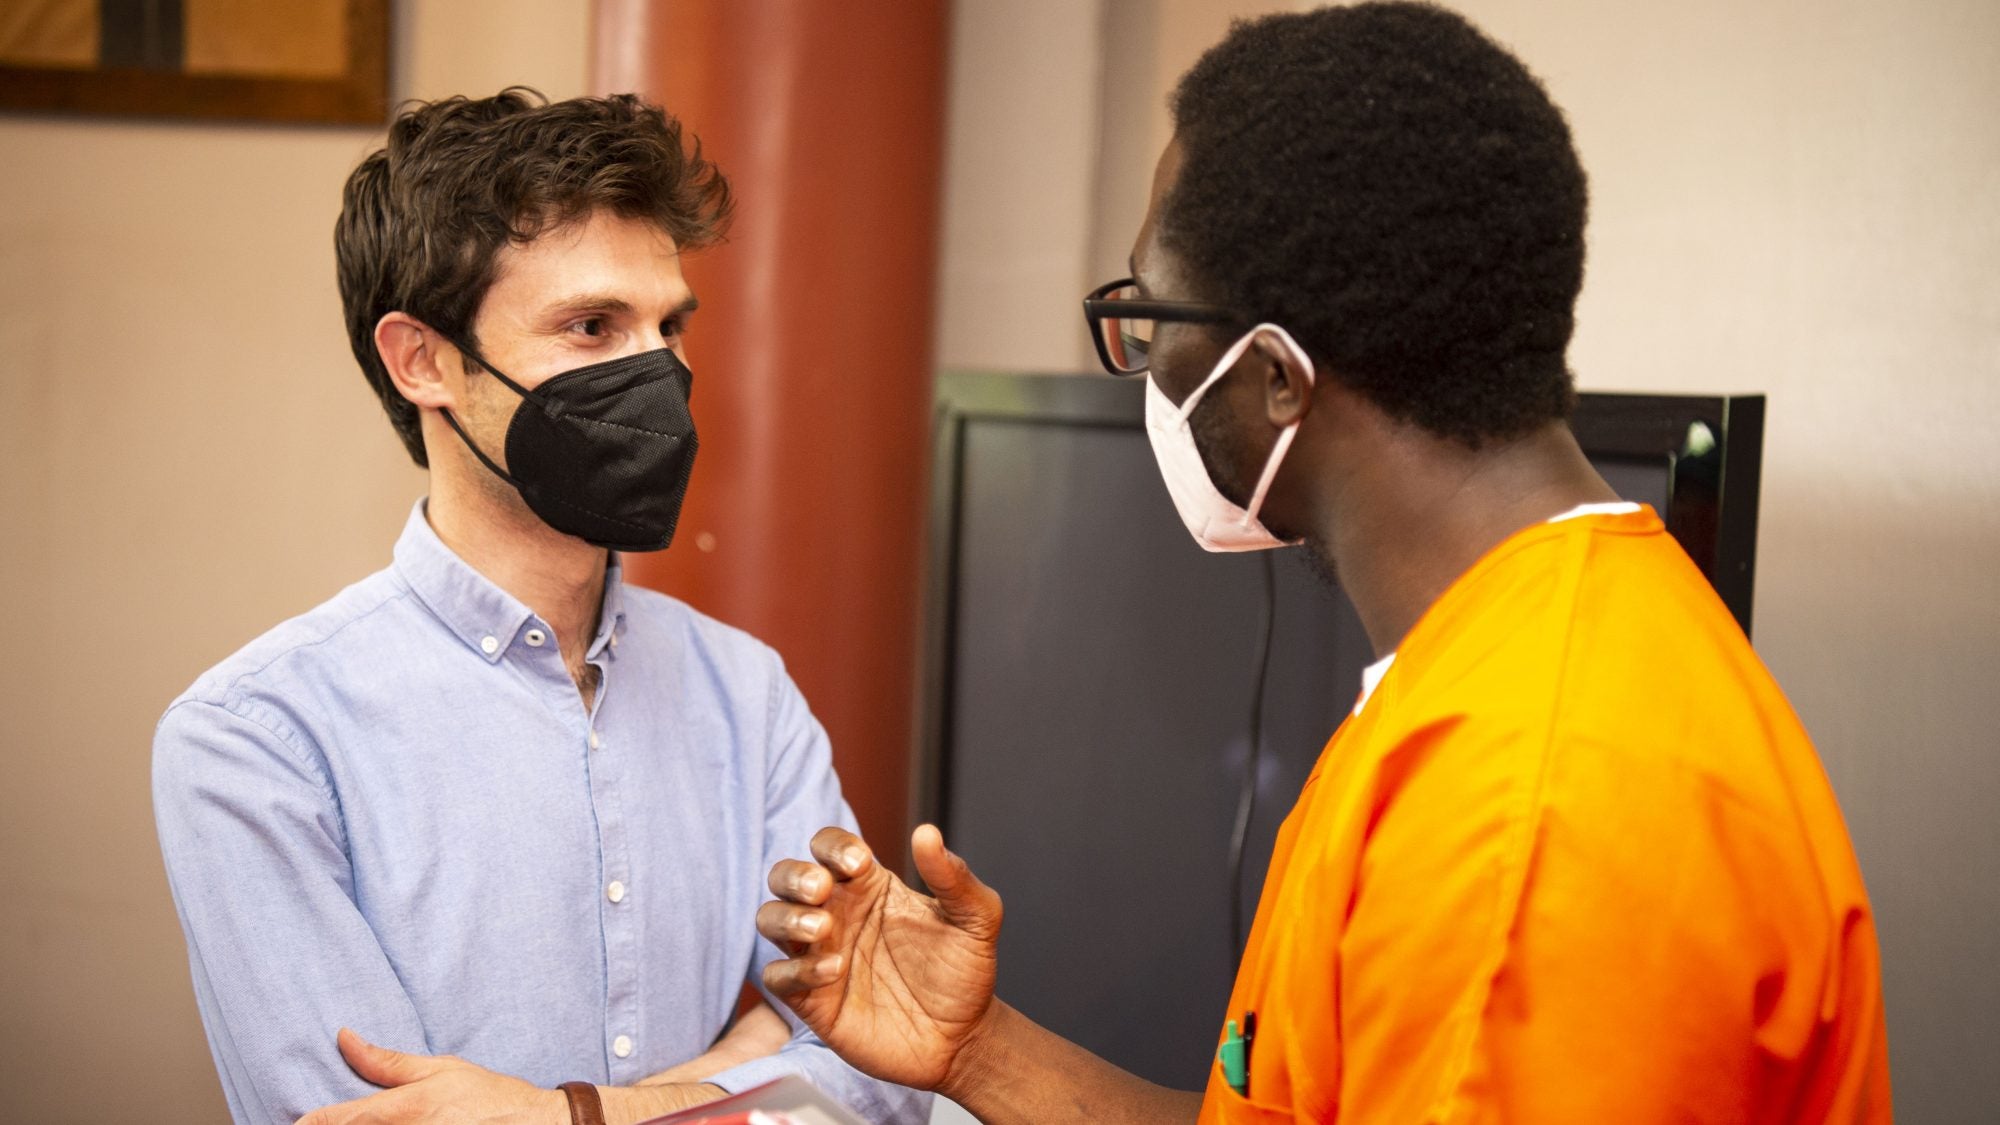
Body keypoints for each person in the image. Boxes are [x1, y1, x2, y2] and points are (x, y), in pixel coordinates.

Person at [752, 5, 1892, 1123]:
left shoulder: (1528, 809)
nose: (1143, 361)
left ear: (1275, 376)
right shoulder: (1507, 664)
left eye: (1151, 317)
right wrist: (973, 1053)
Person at [151, 90, 928, 1125]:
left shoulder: (744, 693)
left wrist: (568, 1113)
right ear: (421, 360)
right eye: (592, 326)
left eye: (668, 326)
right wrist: (743, 1066)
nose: (659, 374)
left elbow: (883, 1072)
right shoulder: (259, 740)